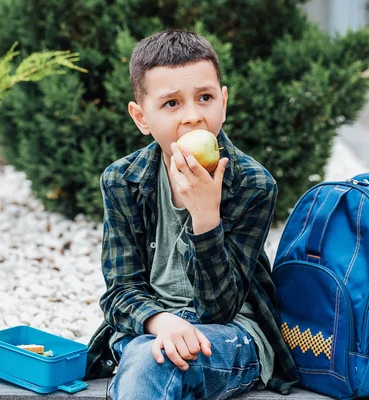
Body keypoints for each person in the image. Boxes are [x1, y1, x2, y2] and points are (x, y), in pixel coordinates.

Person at [84, 29, 299, 399]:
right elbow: (120, 292)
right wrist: (161, 322)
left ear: (224, 101)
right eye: (171, 104)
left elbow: (220, 309)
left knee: (154, 362)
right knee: (152, 354)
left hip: (232, 333)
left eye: (205, 97)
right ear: (141, 117)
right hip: (150, 330)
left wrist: (205, 218)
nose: (193, 117)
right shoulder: (122, 180)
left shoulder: (252, 184)